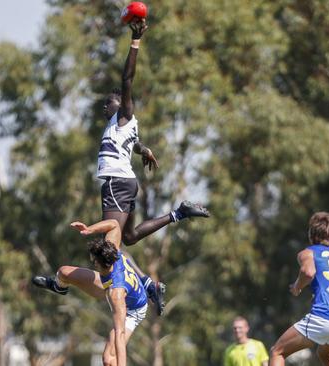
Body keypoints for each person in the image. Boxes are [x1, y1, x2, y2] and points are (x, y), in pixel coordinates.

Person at [96, 18, 209, 315]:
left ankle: (148, 284)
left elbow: (127, 80)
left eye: (108, 103)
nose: (104, 107)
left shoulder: (124, 114)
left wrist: (135, 42)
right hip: (126, 183)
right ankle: (178, 213)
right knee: (129, 237)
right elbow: (130, 143)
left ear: (120, 105)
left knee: (111, 247)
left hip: (115, 183)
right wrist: (143, 149)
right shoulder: (119, 125)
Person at [32, 219, 147, 366]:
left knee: (109, 360)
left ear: (101, 264)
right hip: (112, 284)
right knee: (63, 272)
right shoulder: (111, 249)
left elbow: (120, 333)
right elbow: (114, 224)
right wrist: (89, 229)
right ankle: (59, 287)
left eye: (93, 261)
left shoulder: (116, 294)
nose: (91, 261)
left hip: (133, 309)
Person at [269, 212, 329, 366]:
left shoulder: (308, 252)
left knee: (277, 351)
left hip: (324, 317)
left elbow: (308, 272)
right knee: (325, 356)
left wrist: (296, 287)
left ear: (311, 233)